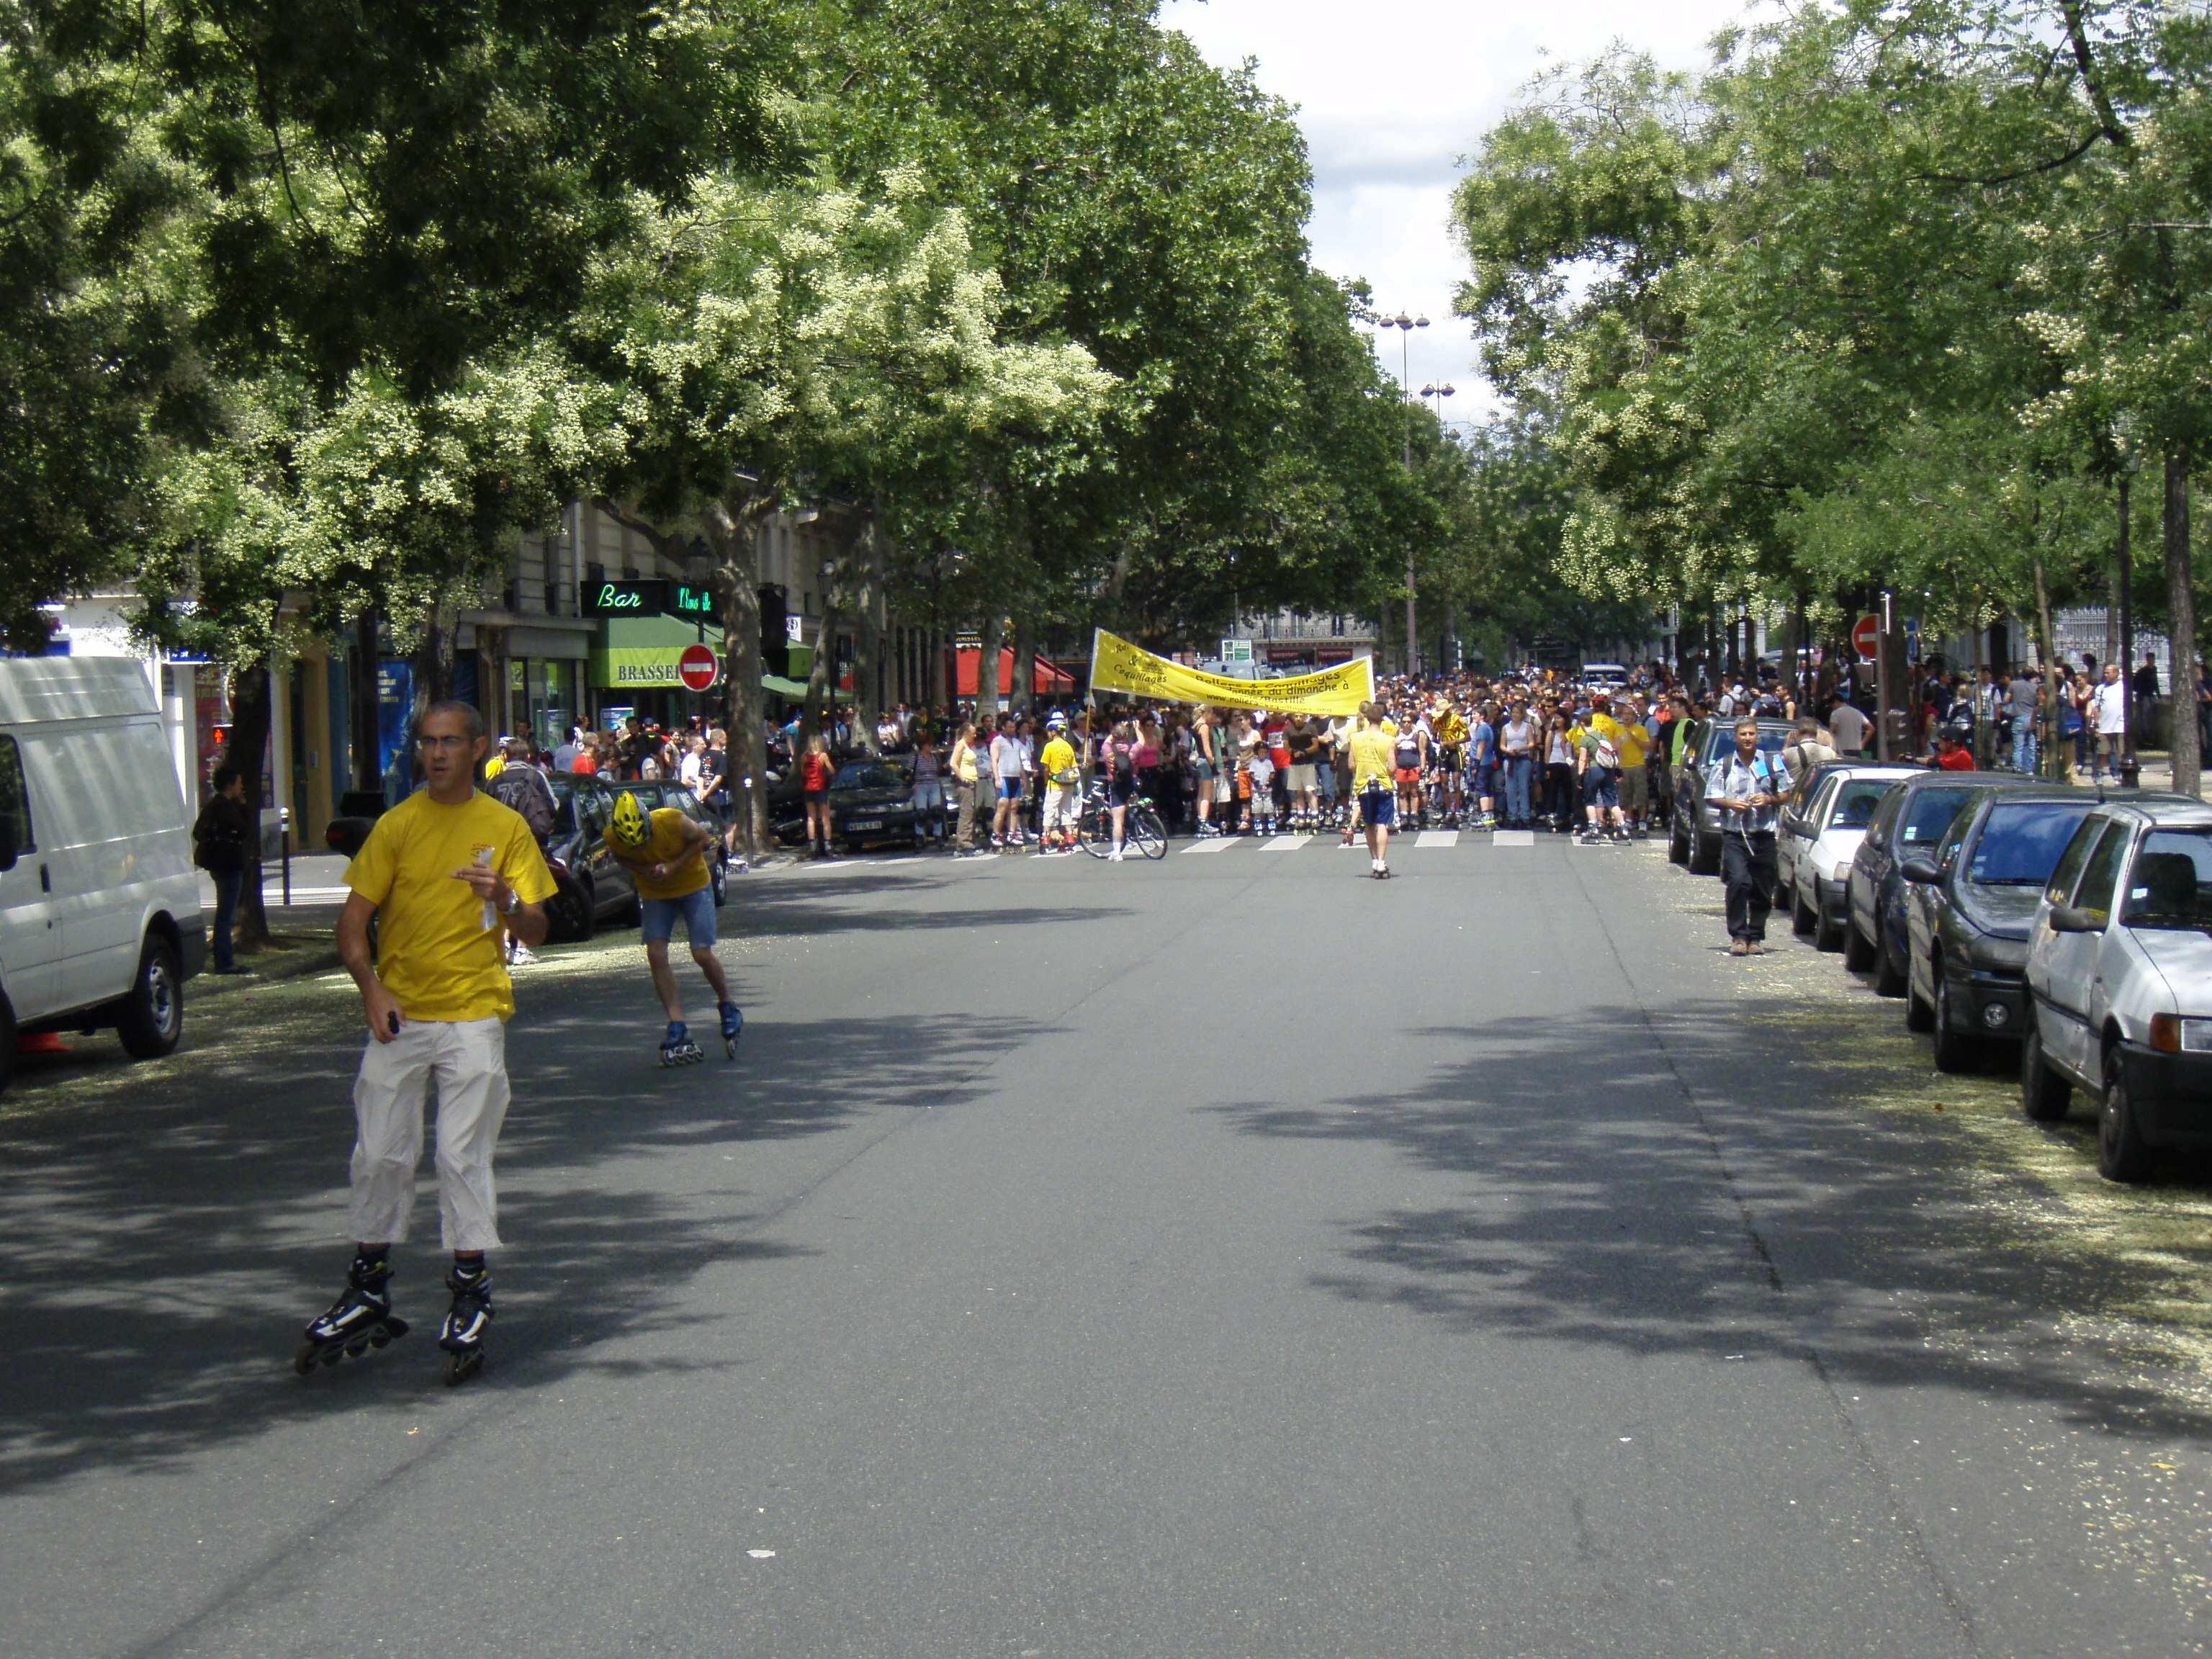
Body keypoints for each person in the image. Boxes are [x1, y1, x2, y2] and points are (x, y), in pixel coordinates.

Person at [298, 700, 555, 1385]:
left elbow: (538, 930)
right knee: (380, 1151)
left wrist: (505, 896)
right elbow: (353, 927)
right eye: (427, 742)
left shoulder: (504, 829)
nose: (437, 753)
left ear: (476, 750)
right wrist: (371, 989)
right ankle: (368, 1285)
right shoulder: (397, 826)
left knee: (460, 1155)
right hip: (402, 1016)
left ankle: (470, 1290)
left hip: (473, 1014)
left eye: (450, 742)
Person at [601, 789, 743, 1066]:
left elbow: (703, 840)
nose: (641, 849)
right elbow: (620, 857)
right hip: (656, 893)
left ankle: (727, 1005)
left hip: (693, 885)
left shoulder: (671, 820)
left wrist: (673, 866)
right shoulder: (612, 837)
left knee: (701, 952)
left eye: (644, 842)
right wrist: (642, 871)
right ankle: (677, 1023)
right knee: (655, 953)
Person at [1707, 717, 1788, 956]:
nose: (1748, 738)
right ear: (1736, 737)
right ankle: (1739, 936)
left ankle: (1756, 935)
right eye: (1743, 734)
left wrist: (1770, 799)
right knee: (1739, 881)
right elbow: (1711, 796)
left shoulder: (1771, 763)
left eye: (1752, 734)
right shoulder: (1725, 764)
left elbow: (1786, 792)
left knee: (1763, 888)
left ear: (1757, 736)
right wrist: (1731, 803)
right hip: (1735, 834)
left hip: (1764, 834)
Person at [192, 763, 255, 974]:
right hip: (228, 863)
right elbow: (243, 830)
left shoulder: (213, 804)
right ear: (230, 785)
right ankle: (225, 962)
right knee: (226, 914)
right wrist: (244, 806)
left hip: (218, 864)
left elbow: (198, 831)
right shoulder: (226, 807)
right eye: (238, 783)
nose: (241, 787)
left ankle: (224, 959)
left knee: (224, 912)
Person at [1349, 701, 1398, 878]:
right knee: (1382, 823)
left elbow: (1351, 765)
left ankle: (1374, 860)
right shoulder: (1389, 740)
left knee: (1369, 824)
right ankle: (1382, 862)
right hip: (1383, 784)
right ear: (1382, 719)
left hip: (1363, 785)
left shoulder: (1355, 738)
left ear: (1367, 718)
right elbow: (1392, 767)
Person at [1038, 712, 1081, 853]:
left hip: (1055, 784)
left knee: (1049, 810)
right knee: (1066, 811)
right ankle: (1069, 836)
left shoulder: (1050, 746)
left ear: (1053, 731)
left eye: (1050, 731)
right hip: (1068, 784)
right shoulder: (1068, 746)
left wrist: (1046, 782)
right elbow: (1073, 766)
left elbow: (1046, 768)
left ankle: (1045, 837)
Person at [950, 721, 986, 858]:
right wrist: (963, 778)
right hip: (965, 784)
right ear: (966, 733)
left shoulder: (967, 746)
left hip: (973, 782)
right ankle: (963, 844)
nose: (975, 736)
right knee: (966, 813)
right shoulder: (961, 745)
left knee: (971, 813)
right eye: (973, 733)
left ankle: (969, 841)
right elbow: (953, 763)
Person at [798, 733, 835, 858]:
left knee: (811, 818)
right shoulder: (823, 756)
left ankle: (812, 846)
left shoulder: (803, 757)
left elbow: (803, 774)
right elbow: (831, 770)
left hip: (808, 788)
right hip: (821, 788)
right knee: (825, 818)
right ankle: (828, 845)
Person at [2090, 661, 2128, 781]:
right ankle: (2099, 773)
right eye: (2105, 673)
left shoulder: (2124, 687)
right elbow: (2097, 708)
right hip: (2105, 726)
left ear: (2116, 673)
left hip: (2121, 725)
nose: (2105, 675)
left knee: (2122, 751)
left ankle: (2121, 773)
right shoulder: (2101, 689)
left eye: (2108, 672)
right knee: (2103, 752)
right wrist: (2096, 725)